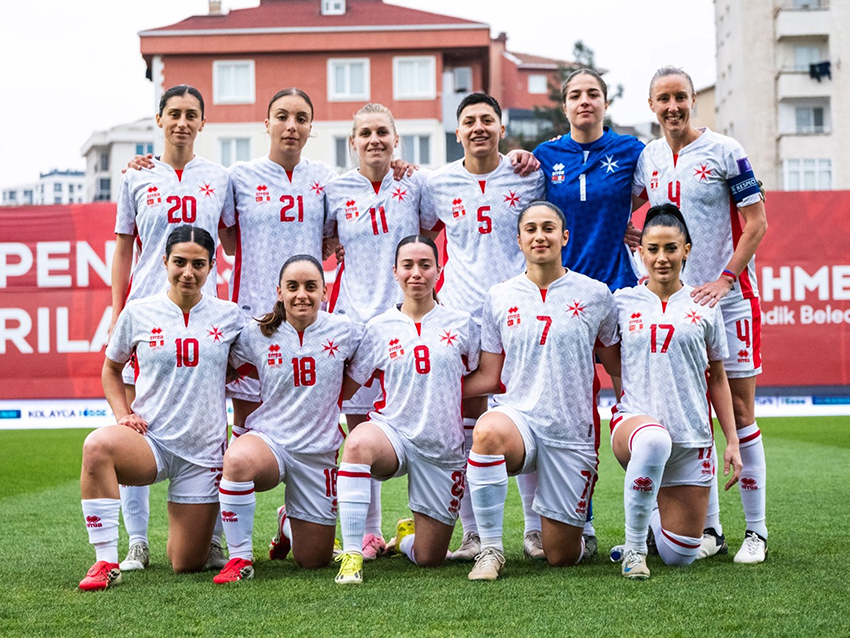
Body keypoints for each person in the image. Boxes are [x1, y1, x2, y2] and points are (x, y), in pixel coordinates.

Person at [634, 66, 769, 563]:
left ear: (693, 101)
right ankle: (710, 530)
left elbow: (757, 223)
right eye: (663, 98)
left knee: (740, 412)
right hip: (678, 305)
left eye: (681, 97)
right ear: (651, 105)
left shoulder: (725, 150)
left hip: (728, 300)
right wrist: (639, 258)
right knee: (693, 412)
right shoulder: (647, 157)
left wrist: (726, 279)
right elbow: (623, 210)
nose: (673, 107)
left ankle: (756, 532)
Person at [461, 201, 620, 581]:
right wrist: (433, 389)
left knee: (560, 557)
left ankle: (580, 532)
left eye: (548, 228)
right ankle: (490, 550)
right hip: (519, 420)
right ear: (518, 240)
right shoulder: (499, 296)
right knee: (486, 432)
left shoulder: (596, 294)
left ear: (564, 237)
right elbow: (490, 375)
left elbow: (617, 366)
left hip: (571, 432)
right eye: (530, 229)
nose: (539, 236)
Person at [79, 226, 244, 591]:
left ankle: (201, 537)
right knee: (97, 446)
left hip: (202, 453)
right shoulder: (138, 312)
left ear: (211, 266)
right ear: (164, 261)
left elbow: (251, 361)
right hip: (150, 442)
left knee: (185, 563)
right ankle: (105, 560)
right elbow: (111, 369)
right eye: (180, 262)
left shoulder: (231, 315)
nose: (188, 272)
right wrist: (122, 414)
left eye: (198, 264)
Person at [111, 85, 233, 573]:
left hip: (204, 314)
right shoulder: (136, 176)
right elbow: (124, 247)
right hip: (148, 314)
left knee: (210, 421)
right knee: (136, 421)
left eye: (191, 114)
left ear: (203, 122)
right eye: (174, 113)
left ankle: (215, 537)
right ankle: (137, 542)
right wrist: (119, 308)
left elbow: (232, 238)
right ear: (159, 119)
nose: (182, 122)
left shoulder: (220, 177)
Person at [420, 92, 547, 561]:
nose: (479, 127)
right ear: (457, 132)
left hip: (518, 312)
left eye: (487, 120)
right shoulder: (438, 183)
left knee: (528, 412)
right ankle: (473, 533)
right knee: (466, 424)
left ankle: (534, 529)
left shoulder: (527, 175)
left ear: (501, 128)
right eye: (469, 121)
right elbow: (421, 231)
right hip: (462, 316)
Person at [333, 236, 480, 585]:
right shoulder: (378, 328)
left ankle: (404, 539)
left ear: (438, 270)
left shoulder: (462, 324)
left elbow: (479, 381)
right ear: (395, 272)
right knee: (357, 444)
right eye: (408, 266)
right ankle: (352, 554)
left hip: (441, 447)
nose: (417, 273)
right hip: (393, 433)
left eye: (425, 265)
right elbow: (347, 387)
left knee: (430, 558)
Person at [609, 204, 742, 579]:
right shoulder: (621, 303)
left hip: (690, 437)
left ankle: (653, 516)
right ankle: (635, 549)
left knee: (680, 555)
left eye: (670, 248)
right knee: (654, 440)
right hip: (636, 427)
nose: (661, 258)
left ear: (686, 250)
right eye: (653, 249)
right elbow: (608, 358)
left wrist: (732, 441)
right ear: (640, 252)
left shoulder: (705, 305)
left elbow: (718, 377)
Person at [212, 255, 362, 583]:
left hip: (317, 453)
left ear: (324, 291)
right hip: (271, 441)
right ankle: (239, 558)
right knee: (236, 461)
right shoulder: (256, 333)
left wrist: (338, 396)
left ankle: (287, 522)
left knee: (314, 561)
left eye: (311, 287)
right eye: (292, 287)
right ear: (279, 292)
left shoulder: (346, 331)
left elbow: (366, 364)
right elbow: (222, 365)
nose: (301, 295)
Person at [324, 103, 430, 560]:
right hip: (353, 322)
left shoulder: (415, 184)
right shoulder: (334, 190)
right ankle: (368, 532)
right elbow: (323, 239)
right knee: (359, 426)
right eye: (365, 133)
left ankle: (423, 518)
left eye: (382, 132)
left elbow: (435, 229)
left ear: (396, 139)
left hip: (407, 320)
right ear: (352, 142)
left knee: (420, 420)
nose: (374, 140)